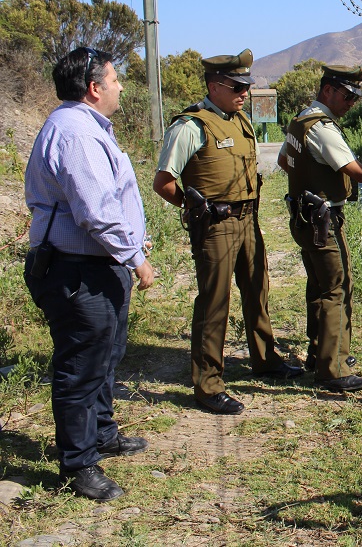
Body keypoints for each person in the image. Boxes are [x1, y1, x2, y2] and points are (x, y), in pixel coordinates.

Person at [23, 47, 157, 502]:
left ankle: (101, 433)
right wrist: (134, 257)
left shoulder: (87, 127)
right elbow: (96, 211)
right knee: (81, 366)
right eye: (115, 79)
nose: (121, 86)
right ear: (94, 87)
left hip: (97, 266)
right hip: (77, 271)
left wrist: (132, 243)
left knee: (105, 356)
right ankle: (78, 463)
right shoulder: (76, 134)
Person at [152, 49, 301, 416]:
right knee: (214, 302)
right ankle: (208, 385)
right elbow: (163, 182)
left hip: (248, 220)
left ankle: (265, 360)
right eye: (236, 87)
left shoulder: (240, 120)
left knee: (257, 290)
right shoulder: (191, 126)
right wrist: (194, 208)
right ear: (214, 86)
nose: (244, 93)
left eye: (246, 86)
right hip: (215, 226)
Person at [278, 65, 362, 393]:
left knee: (320, 285)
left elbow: (284, 161)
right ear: (327, 91)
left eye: (356, 98)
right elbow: (359, 172)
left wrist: (309, 181)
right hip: (322, 221)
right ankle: (332, 369)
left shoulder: (301, 120)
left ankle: (320, 353)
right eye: (347, 96)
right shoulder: (322, 128)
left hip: (304, 216)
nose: (352, 103)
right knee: (336, 288)